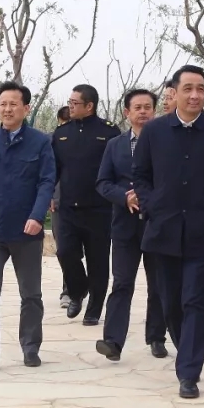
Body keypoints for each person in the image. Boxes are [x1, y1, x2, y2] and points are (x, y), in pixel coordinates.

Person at [133, 65, 204, 399]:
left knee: (196, 300)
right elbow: (141, 174)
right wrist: (151, 204)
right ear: (174, 92)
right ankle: (188, 351)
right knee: (172, 304)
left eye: (201, 88)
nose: (195, 95)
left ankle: (189, 372)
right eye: (188, 88)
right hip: (163, 231)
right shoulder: (154, 131)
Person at [0, 81, 56, 371]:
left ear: (25, 108)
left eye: (13, 104)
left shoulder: (40, 142)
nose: (7, 109)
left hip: (26, 232)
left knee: (30, 294)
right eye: (2, 104)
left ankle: (30, 347)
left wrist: (37, 217)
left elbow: (46, 182)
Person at [95, 89, 169, 361]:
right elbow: (103, 182)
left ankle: (157, 337)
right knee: (122, 283)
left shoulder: (166, 142)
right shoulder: (114, 145)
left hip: (156, 224)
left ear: (155, 111)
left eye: (148, 107)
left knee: (158, 285)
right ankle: (113, 341)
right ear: (127, 112)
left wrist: (151, 198)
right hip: (124, 226)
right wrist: (124, 196)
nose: (143, 112)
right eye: (137, 107)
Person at [52, 84, 121, 325]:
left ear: (89, 106)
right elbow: (53, 169)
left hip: (100, 209)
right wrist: (50, 194)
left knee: (98, 261)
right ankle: (78, 289)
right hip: (68, 207)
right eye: (69, 102)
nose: (70, 107)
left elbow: (117, 169)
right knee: (64, 252)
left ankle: (94, 310)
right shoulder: (61, 134)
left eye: (75, 103)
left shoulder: (109, 132)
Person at [51, 105, 72, 310]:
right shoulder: (53, 142)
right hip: (59, 203)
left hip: (89, 206)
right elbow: (47, 173)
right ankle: (69, 289)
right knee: (64, 250)